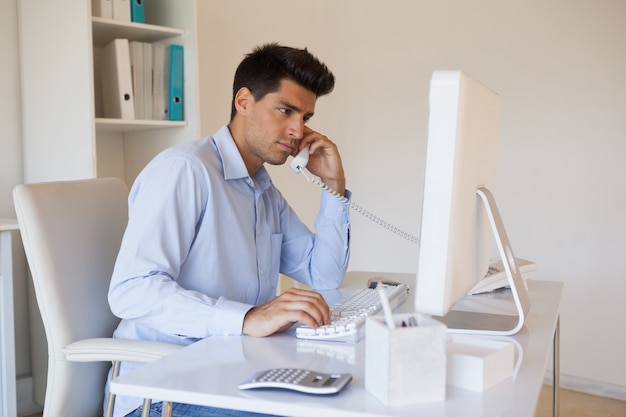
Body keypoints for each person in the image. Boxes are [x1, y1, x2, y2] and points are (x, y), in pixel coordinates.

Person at [106, 43, 351, 417]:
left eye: (305, 116)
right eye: (285, 110)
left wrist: (334, 187)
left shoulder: (264, 191)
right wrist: (247, 318)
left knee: (343, 396)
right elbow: (131, 291)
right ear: (244, 101)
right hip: (163, 391)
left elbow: (324, 275)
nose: (298, 131)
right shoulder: (186, 171)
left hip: (232, 375)